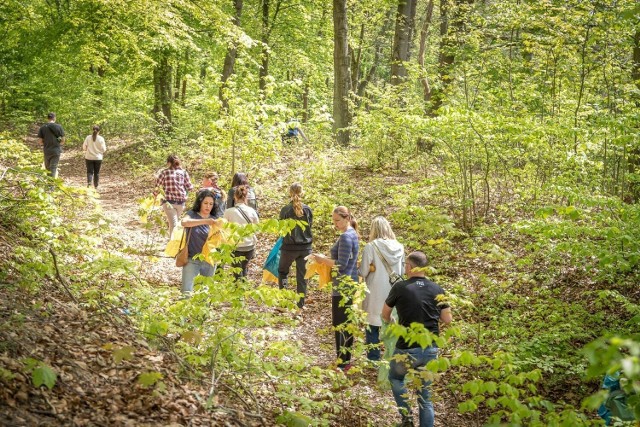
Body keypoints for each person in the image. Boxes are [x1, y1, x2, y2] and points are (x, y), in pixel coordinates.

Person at [382, 251, 453, 427]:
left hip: (406, 348)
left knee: (396, 378)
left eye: (406, 265)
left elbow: (385, 314)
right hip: (430, 349)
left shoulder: (400, 287)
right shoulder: (438, 289)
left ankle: (406, 419)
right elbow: (448, 319)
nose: (405, 268)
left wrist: (392, 321)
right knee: (425, 396)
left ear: (411, 267)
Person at [312, 206, 359, 371]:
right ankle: (344, 360)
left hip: (344, 285)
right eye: (333, 221)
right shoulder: (352, 234)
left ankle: (343, 362)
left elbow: (341, 264)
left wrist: (322, 260)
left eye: (338, 220)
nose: (335, 224)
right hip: (348, 283)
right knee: (345, 322)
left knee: (340, 323)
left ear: (347, 218)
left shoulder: (347, 237)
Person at [358, 216, 404, 361]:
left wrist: (369, 269)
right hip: (394, 292)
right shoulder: (400, 246)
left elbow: (363, 271)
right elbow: (402, 272)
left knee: (372, 325)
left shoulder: (371, 247)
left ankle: (373, 359)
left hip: (374, 291)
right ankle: (393, 358)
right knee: (391, 323)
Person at [278, 183, 313, 308]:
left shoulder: (285, 210)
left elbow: (281, 228)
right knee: (303, 277)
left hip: (289, 247)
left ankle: (284, 301)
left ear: (289, 193)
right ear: (302, 193)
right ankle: (300, 305)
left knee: (282, 272)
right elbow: (310, 227)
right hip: (305, 248)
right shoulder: (307, 209)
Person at [180, 190, 221, 295]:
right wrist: (206, 221)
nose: (208, 206)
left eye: (211, 204)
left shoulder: (215, 219)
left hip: (209, 259)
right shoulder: (192, 214)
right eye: (205, 203)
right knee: (186, 292)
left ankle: (203, 311)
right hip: (192, 258)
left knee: (204, 293)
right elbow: (184, 222)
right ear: (200, 203)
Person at [224, 185, 259, 279]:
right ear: (246, 197)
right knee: (244, 269)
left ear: (235, 197)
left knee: (237, 272)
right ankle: (243, 289)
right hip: (249, 246)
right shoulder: (252, 211)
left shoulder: (228, 212)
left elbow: (224, 228)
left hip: (235, 246)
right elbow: (256, 228)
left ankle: (239, 291)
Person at [155, 155, 194, 237]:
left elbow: (157, 186)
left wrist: (154, 196)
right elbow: (190, 187)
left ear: (169, 163)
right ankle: (173, 244)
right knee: (174, 224)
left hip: (169, 202)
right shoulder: (183, 172)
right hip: (181, 203)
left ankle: (172, 245)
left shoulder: (164, 172)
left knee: (173, 224)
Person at [37, 112, 65, 177]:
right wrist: (58, 144)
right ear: (54, 118)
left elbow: (40, 142)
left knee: (48, 169)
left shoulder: (43, 127)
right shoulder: (59, 126)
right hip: (56, 150)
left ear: (48, 118)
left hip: (47, 150)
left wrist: (46, 143)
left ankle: (49, 184)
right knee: (53, 168)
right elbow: (63, 140)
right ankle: (51, 186)